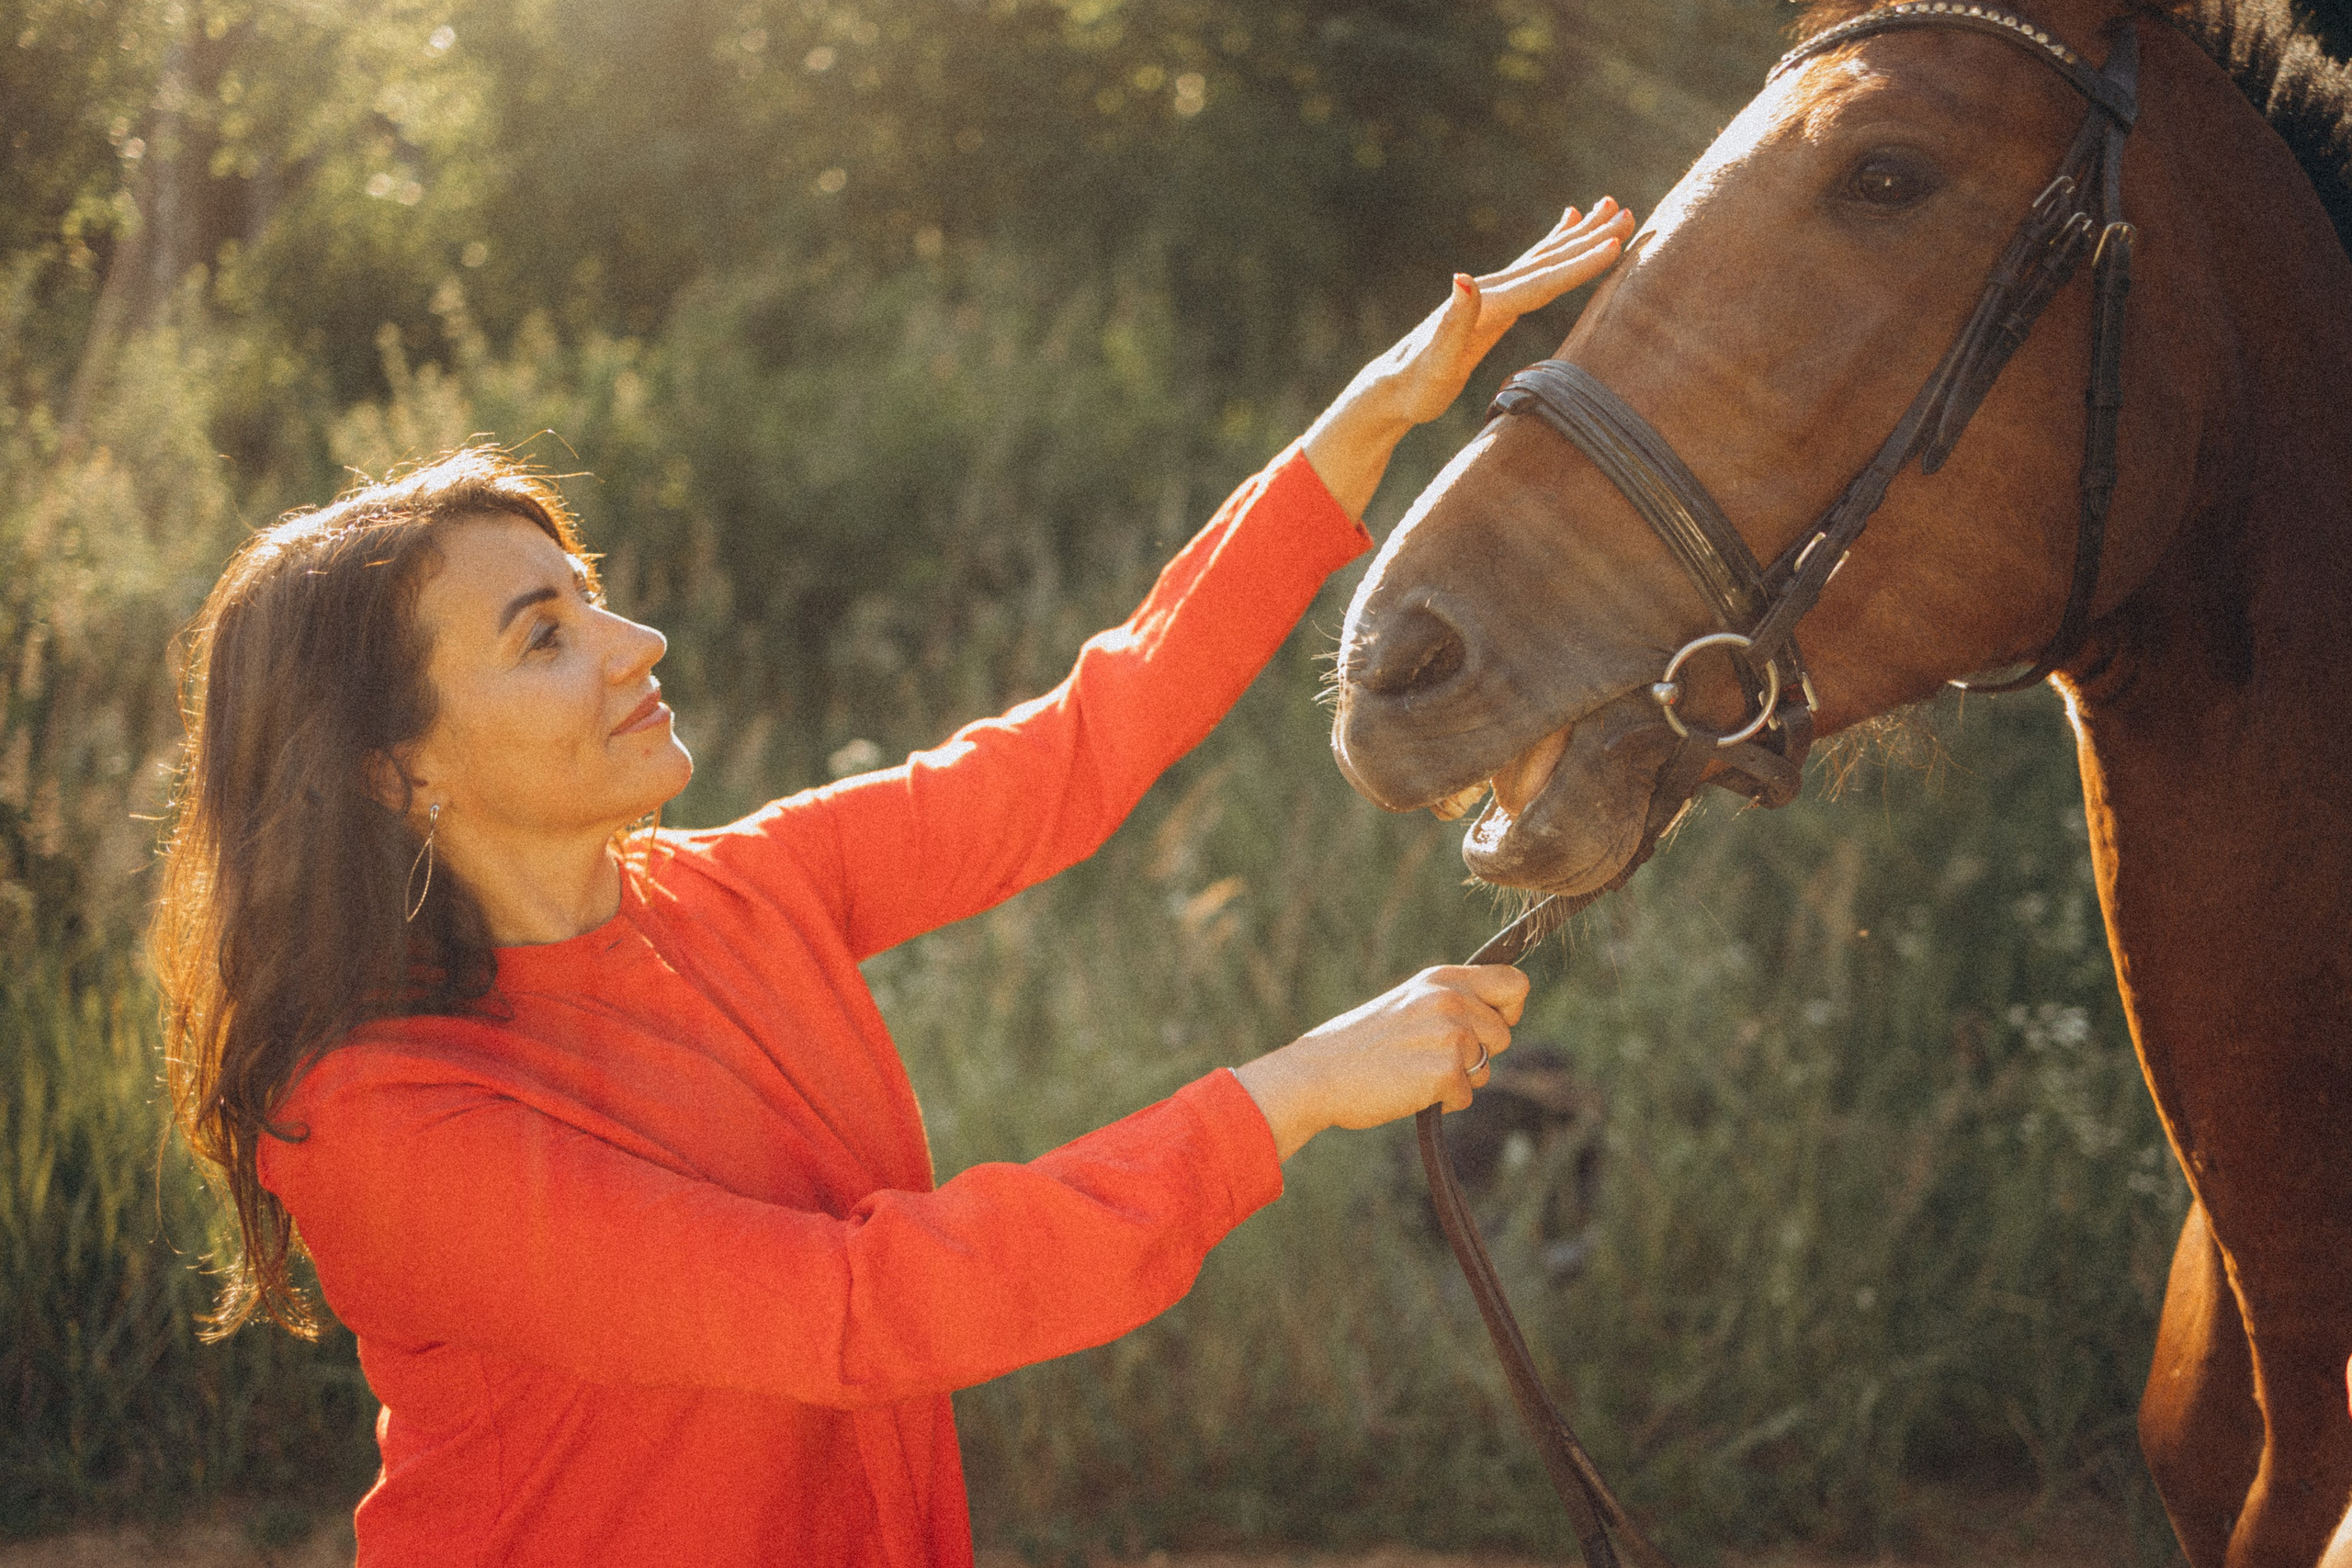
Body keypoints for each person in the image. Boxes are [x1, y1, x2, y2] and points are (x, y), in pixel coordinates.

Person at [152, 198, 1633, 1566]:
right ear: (397, 772)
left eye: (592, 596)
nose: (638, 641)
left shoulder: (743, 889)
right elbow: (855, 1312)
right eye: (545, 636)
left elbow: (1081, 746)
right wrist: (1291, 1093)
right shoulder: (379, 1120)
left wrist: (1362, 426)